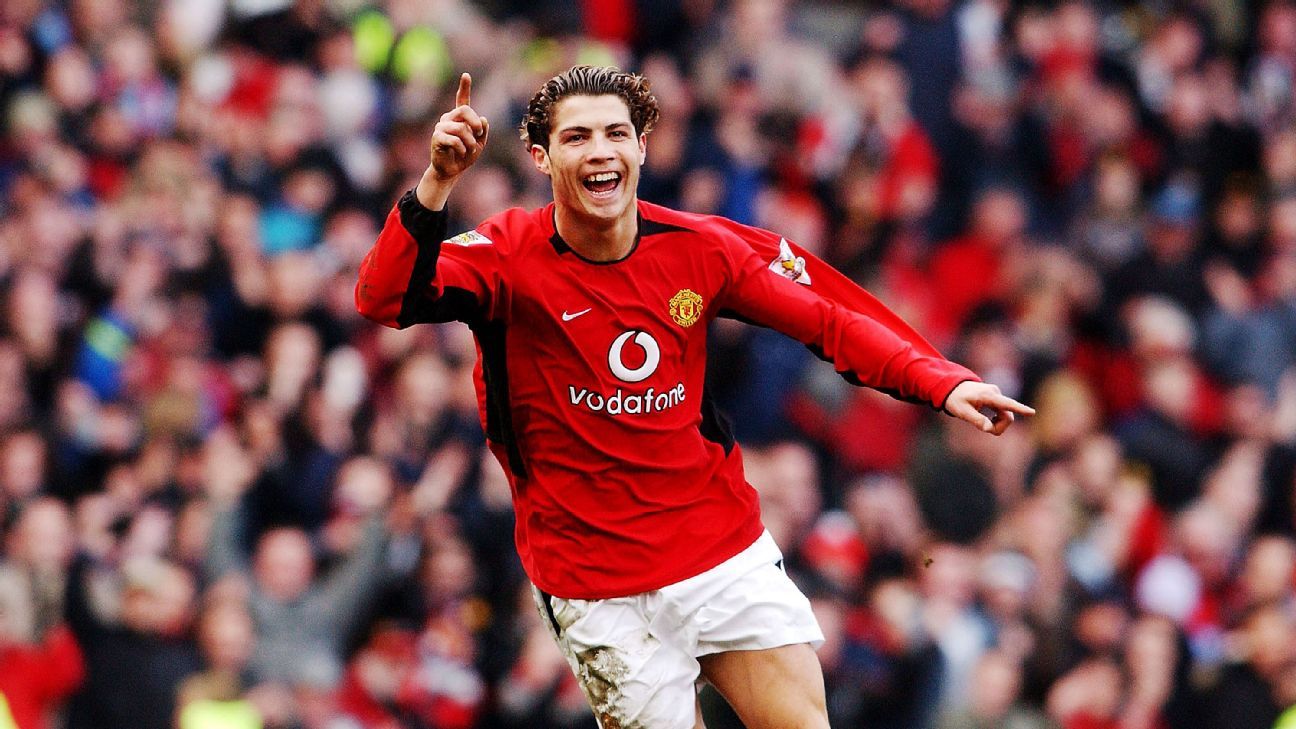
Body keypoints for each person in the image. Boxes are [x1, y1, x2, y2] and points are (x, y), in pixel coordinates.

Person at [356, 65, 1034, 729]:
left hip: (717, 549)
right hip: (594, 583)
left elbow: (827, 319)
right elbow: (383, 297)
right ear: (541, 156)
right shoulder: (504, 254)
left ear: (643, 148)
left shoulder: (699, 249)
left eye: (616, 133)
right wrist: (437, 182)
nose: (600, 150)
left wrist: (941, 379)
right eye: (577, 137)